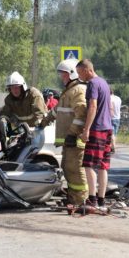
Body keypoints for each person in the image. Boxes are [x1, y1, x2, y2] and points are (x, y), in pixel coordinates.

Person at [40, 59, 88, 207]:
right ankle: (73, 198)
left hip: (75, 140)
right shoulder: (68, 91)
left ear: (72, 74)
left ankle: (81, 201)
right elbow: (57, 111)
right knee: (68, 169)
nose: (62, 77)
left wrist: (72, 134)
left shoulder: (78, 90)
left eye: (64, 74)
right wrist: (43, 121)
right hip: (68, 140)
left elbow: (81, 115)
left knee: (75, 170)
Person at [75, 59, 113, 209]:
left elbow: (92, 106)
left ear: (87, 70)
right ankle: (101, 200)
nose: (79, 77)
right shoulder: (104, 82)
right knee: (103, 166)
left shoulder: (92, 84)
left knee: (88, 165)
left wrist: (86, 130)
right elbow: (108, 108)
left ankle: (92, 199)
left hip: (97, 129)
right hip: (108, 128)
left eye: (80, 73)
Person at [110, 86, 122, 152]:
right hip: (118, 117)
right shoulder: (118, 98)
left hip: (111, 117)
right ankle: (113, 145)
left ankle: (113, 147)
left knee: (112, 134)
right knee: (115, 133)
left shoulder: (109, 98)